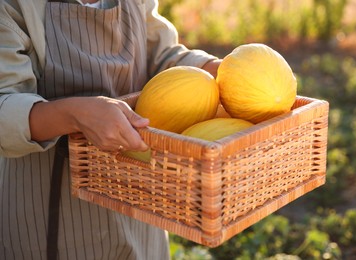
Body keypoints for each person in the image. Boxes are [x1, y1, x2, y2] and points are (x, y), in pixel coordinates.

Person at [0, 0, 221, 259]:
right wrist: (74, 115)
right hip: (49, 215)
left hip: (141, 203)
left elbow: (162, 56)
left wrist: (218, 71)